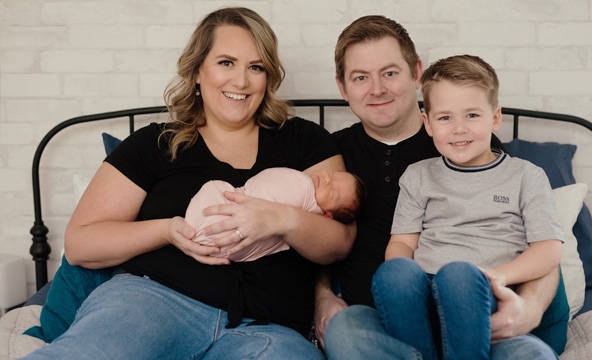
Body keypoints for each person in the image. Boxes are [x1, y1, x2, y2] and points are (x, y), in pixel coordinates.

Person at [22, 7, 354, 359]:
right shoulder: (155, 144)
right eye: (226, 62)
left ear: (267, 77)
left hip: (266, 326)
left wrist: (282, 219)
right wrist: (166, 231)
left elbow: (340, 241)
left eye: (255, 67)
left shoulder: (305, 141)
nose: (240, 81)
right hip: (152, 304)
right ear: (198, 70)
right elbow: (80, 243)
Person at [315, 14, 563, 360]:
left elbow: (543, 246)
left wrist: (531, 308)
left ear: (416, 71)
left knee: (530, 355)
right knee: (346, 330)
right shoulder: (329, 156)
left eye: (389, 72)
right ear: (342, 87)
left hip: (480, 309)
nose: (376, 89)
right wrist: (323, 296)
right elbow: (315, 239)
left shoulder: (472, 147)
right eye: (360, 77)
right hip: (381, 318)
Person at [371, 54, 567, 360]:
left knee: (460, 277)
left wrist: (497, 276)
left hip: (491, 291)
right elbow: (401, 243)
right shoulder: (419, 175)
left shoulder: (525, 175)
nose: (459, 128)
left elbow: (549, 250)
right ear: (428, 124)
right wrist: (407, 276)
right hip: (429, 294)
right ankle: (426, 352)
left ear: (495, 118)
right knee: (392, 272)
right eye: (445, 118)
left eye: (472, 115)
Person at [186, 167, 366, 261]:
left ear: (328, 216)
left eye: (333, 191)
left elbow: (341, 242)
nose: (327, 180)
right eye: (333, 175)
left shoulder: (309, 206)